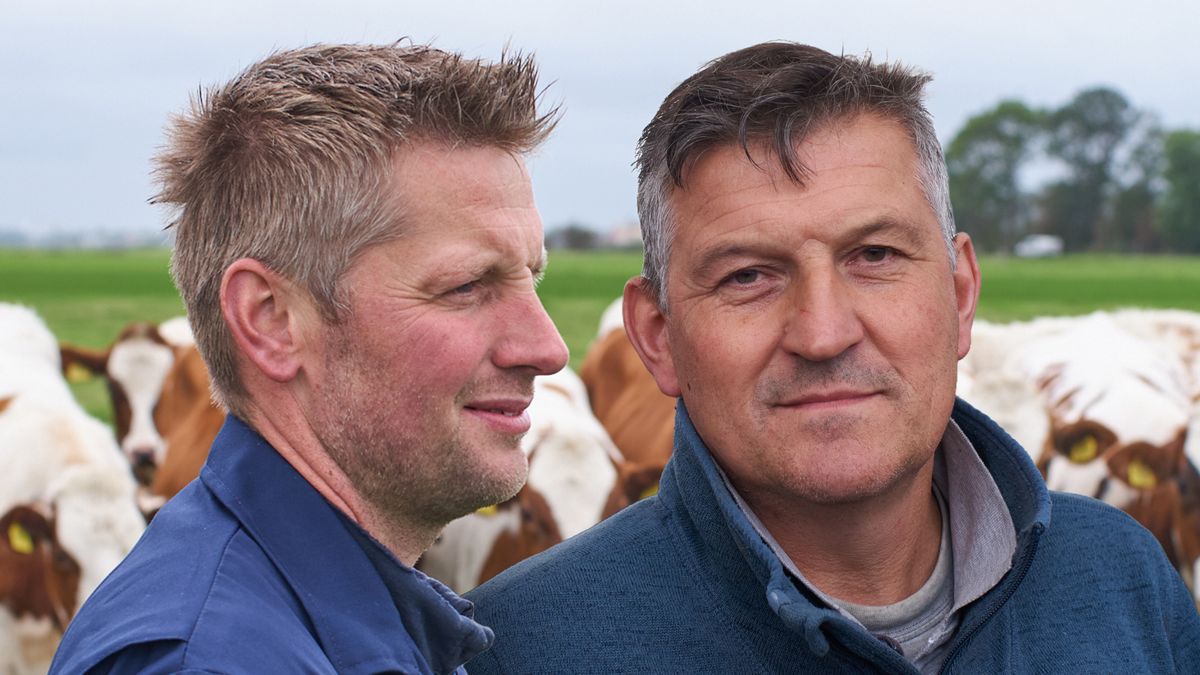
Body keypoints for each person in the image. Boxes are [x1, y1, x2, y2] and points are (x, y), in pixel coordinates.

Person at [466, 42, 1200, 673]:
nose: (822, 333)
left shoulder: (1123, 580)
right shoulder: (521, 649)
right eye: (748, 275)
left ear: (961, 294)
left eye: (875, 255)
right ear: (657, 336)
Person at [51, 42, 568, 674]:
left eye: (531, 279)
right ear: (271, 321)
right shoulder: (208, 660)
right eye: (465, 286)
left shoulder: (353, 617)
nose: (548, 349)